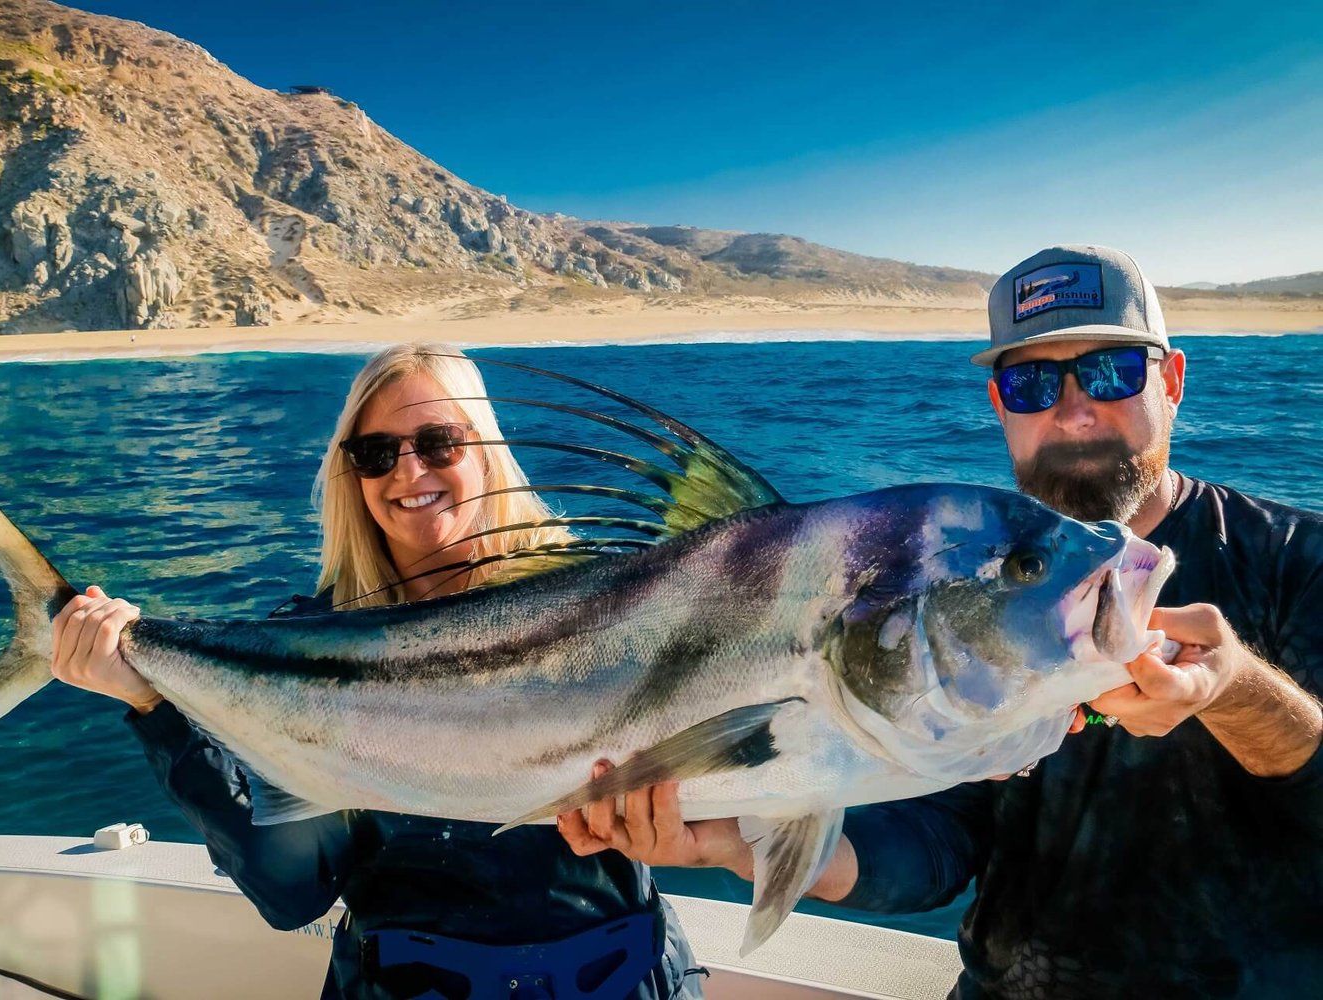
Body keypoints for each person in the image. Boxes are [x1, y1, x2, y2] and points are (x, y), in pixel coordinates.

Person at [558, 245, 1323, 999]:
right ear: (999, 403)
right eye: (1030, 381)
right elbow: (943, 844)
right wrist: (740, 843)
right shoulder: (955, 590)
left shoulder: (1295, 557)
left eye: (1110, 370)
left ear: (1173, 379)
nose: (1075, 408)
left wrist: (1237, 691)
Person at [50, 344, 705, 1000]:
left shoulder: (608, 597)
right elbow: (291, 891)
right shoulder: (313, 644)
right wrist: (152, 708)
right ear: (353, 476)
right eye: (376, 453)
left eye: (437, 441)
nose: (408, 470)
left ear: (484, 447)